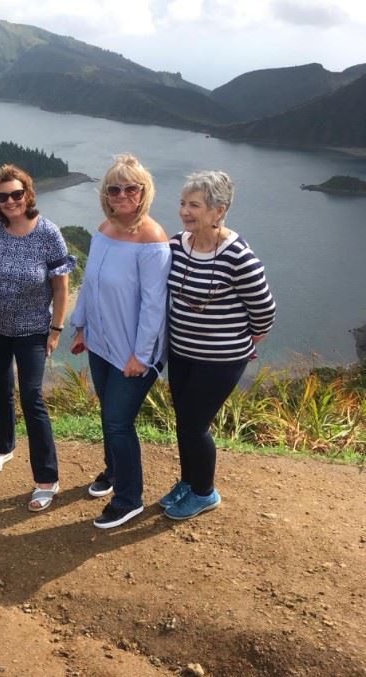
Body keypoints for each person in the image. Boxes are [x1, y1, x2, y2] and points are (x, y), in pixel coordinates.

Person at [160, 170, 275, 520]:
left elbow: (264, 309)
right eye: (182, 203)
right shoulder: (178, 244)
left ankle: (205, 492)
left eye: (194, 205)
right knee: (184, 420)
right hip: (182, 353)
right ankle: (188, 481)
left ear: (218, 210)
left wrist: (247, 338)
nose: (184, 211)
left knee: (195, 425)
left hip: (221, 360)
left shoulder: (238, 256)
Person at [70, 154, 171, 529]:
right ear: (106, 194)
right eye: (115, 188)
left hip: (133, 352)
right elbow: (92, 287)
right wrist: (81, 327)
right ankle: (113, 473)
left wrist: (141, 356)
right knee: (108, 416)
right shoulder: (104, 230)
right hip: (101, 343)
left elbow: (153, 307)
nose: (123, 194)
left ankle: (129, 499)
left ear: (144, 192)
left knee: (117, 421)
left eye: (132, 187)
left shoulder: (153, 239)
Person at [0, 164, 75, 512]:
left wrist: (56, 329)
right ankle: (3, 449)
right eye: (3, 197)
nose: (11, 201)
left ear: (28, 194)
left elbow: (62, 286)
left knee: (32, 397)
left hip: (33, 330)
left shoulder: (48, 233)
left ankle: (47, 478)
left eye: (17, 194)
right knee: (0, 389)